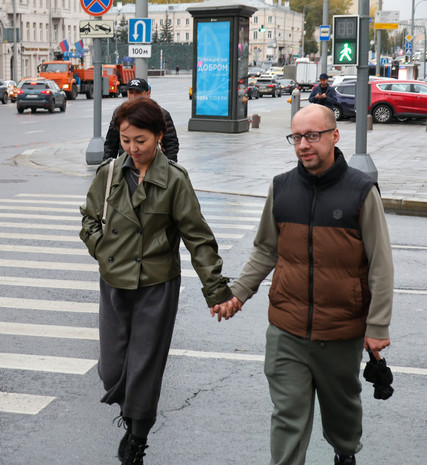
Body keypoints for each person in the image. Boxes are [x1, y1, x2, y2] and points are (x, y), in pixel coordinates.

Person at [212, 104, 394, 465]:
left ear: (334, 136)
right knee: (288, 417)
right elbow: (266, 248)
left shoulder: (360, 192)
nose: (303, 145)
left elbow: (381, 264)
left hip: (340, 332)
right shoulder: (282, 188)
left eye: (312, 136)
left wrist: (377, 325)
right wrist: (238, 293)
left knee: (342, 414)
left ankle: (345, 453)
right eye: (297, 137)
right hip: (287, 328)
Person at [80, 98, 234, 465]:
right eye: (126, 140)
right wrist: (102, 249)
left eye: (141, 141)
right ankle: (131, 407)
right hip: (114, 281)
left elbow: (198, 238)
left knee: (146, 364)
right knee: (112, 368)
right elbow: (88, 220)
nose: (133, 149)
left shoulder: (175, 180)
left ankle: (137, 435)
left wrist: (216, 289)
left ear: (159, 137)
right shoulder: (109, 174)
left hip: (156, 284)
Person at [103, 78, 179, 162]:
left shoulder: (161, 114)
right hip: (126, 165)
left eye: (138, 93)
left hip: (153, 165)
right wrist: (107, 167)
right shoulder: (120, 113)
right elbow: (111, 143)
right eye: (131, 93)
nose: (133, 96)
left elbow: (171, 144)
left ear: (147, 94)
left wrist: (168, 167)